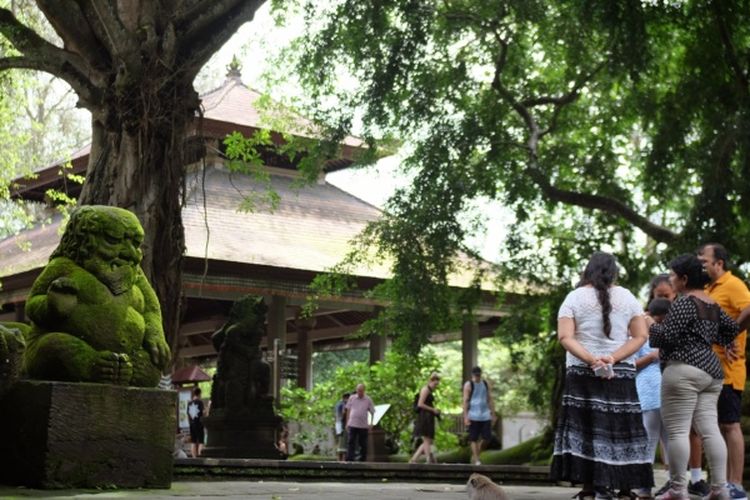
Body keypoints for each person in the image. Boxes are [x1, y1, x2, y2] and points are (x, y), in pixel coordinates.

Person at [550, 251, 652, 500]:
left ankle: (589, 489)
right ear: (613, 272)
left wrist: (590, 358)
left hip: (582, 372)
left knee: (587, 429)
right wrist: (613, 358)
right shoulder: (628, 297)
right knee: (622, 429)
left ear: (587, 270)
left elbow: (565, 337)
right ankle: (626, 490)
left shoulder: (573, 298)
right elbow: (641, 336)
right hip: (621, 372)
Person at [649, 254, 740, 500]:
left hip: (683, 369)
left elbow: (665, 337)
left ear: (684, 279)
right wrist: (725, 342)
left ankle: (678, 489)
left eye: (672, 276)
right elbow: (731, 329)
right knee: (710, 430)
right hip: (712, 372)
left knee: (678, 431)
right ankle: (720, 489)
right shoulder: (711, 304)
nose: (670, 279)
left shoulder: (684, 302)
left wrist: (649, 324)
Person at [698, 243, 750, 500]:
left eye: (705, 260)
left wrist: (731, 334)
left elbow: (749, 308)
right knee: (717, 427)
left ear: (719, 263)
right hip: (710, 371)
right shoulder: (708, 289)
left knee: (730, 425)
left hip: (729, 370)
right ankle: (723, 485)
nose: (702, 264)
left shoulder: (734, 285)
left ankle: (737, 485)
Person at [633, 297, 671, 499]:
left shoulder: (671, 335)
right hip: (648, 392)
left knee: (671, 440)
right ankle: (644, 486)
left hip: (670, 392)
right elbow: (631, 364)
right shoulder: (639, 335)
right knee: (649, 439)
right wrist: (651, 357)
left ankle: (676, 484)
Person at [463, 366, 496, 466]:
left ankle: (475, 454)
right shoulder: (469, 385)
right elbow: (465, 400)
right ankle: (477, 459)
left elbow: (490, 399)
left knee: (487, 438)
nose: (477, 377)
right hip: (473, 414)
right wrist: (465, 416)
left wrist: (493, 413)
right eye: (476, 375)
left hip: (485, 414)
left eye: (479, 375)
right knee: (473, 438)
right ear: (472, 375)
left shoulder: (485, 384)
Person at [410, 372, 441, 464]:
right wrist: (433, 409)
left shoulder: (430, 391)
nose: (436, 386)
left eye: (437, 384)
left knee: (428, 440)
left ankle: (414, 459)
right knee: (427, 439)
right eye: (435, 384)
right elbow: (420, 404)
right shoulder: (425, 389)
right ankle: (428, 459)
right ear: (431, 381)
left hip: (429, 416)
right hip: (424, 417)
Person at [345, 383, 375, 462]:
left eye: (361, 391)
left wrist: (371, 423)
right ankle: (350, 458)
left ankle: (362, 459)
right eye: (358, 391)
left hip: (363, 425)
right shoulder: (352, 398)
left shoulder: (368, 399)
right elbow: (348, 409)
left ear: (364, 391)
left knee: (363, 443)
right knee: (351, 441)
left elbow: (372, 412)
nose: (359, 392)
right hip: (353, 423)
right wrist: (347, 422)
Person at [187, 387, 205, 458]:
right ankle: (200, 457)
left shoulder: (189, 403)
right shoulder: (200, 402)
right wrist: (208, 408)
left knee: (193, 441)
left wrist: (190, 423)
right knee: (201, 441)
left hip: (192, 424)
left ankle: (194, 458)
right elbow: (203, 413)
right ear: (200, 393)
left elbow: (188, 414)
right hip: (199, 423)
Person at [334, 392, 350, 462]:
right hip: (342, 424)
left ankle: (339, 459)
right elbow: (343, 413)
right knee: (343, 444)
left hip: (338, 424)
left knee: (339, 443)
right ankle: (342, 460)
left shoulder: (337, 404)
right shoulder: (343, 404)